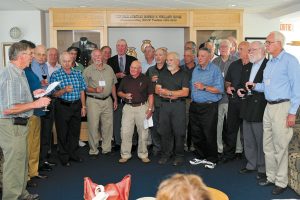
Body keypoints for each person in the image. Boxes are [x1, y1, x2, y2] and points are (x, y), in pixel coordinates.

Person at [247, 31, 300, 195]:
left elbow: (297, 89)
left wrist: (292, 113)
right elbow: (266, 86)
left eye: (269, 43)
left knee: (280, 146)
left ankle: (281, 181)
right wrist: (255, 86)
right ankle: (271, 177)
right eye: (266, 43)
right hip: (268, 107)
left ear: (279, 43)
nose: (266, 45)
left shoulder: (290, 61)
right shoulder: (270, 63)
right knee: (267, 145)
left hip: (283, 107)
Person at [0, 42, 50, 200]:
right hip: (11, 124)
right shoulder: (10, 75)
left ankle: (21, 194)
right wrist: (36, 103)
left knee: (21, 162)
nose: (33, 57)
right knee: (13, 164)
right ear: (21, 56)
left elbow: (17, 99)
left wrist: (33, 94)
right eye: (31, 54)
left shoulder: (20, 73)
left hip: (20, 124)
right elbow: (9, 108)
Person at [237, 41, 268, 182]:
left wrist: (253, 87)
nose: (250, 52)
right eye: (249, 50)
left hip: (260, 106)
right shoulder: (248, 66)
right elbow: (243, 84)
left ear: (262, 51)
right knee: (248, 138)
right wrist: (240, 90)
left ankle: (262, 167)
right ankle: (251, 164)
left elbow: (269, 87)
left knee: (260, 139)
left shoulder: (268, 65)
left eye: (253, 50)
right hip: (247, 105)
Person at [50, 52, 87, 167]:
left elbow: (82, 90)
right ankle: (64, 157)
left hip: (76, 106)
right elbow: (54, 94)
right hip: (62, 107)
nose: (67, 63)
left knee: (74, 132)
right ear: (60, 62)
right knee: (62, 133)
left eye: (69, 61)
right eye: (64, 61)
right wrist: (64, 90)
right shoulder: (55, 75)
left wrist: (83, 106)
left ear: (72, 61)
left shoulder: (78, 73)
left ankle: (73, 154)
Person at [189, 48, 224, 167]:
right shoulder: (196, 70)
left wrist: (204, 87)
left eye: (203, 56)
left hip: (209, 107)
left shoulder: (215, 70)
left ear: (209, 57)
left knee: (209, 133)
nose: (200, 58)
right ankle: (200, 156)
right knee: (196, 133)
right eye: (199, 56)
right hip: (195, 106)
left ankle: (212, 159)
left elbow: (220, 89)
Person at [156, 52, 189, 166]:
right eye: (167, 60)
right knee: (165, 131)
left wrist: (168, 92)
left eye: (170, 60)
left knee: (179, 132)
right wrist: (173, 94)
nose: (168, 62)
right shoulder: (163, 73)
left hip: (178, 106)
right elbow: (157, 90)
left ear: (177, 61)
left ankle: (179, 156)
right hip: (165, 106)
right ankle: (166, 154)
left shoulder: (184, 74)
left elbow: (185, 92)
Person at [220, 41, 251, 163]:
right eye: (238, 48)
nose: (239, 51)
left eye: (241, 48)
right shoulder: (234, 65)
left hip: (248, 103)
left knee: (247, 131)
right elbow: (227, 81)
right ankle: (229, 154)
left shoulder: (255, 66)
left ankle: (248, 157)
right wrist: (227, 87)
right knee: (231, 129)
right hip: (233, 101)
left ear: (249, 50)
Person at [83, 49, 118, 158]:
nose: (98, 58)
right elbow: (83, 88)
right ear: (92, 58)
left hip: (107, 100)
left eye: (100, 55)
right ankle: (93, 150)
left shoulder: (109, 69)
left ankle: (106, 149)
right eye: (95, 56)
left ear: (103, 56)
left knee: (108, 126)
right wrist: (94, 90)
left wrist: (115, 99)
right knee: (93, 126)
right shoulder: (87, 71)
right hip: (93, 101)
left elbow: (113, 85)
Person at [117, 60, 154, 163]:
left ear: (140, 69)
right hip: (128, 108)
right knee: (125, 132)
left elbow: (151, 95)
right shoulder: (125, 79)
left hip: (142, 107)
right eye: (131, 68)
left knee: (143, 132)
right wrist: (124, 95)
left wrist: (150, 109)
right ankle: (125, 155)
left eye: (135, 68)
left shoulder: (146, 79)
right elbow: (119, 92)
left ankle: (143, 154)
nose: (132, 69)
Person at [107, 39, 137, 150]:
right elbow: (108, 77)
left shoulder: (133, 60)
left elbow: (137, 75)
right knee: (117, 119)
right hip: (115, 94)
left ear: (126, 47)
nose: (121, 48)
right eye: (119, 46)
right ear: (116, 47)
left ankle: (133, 143)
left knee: (131, 120)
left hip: (130, 95)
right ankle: (118, 143)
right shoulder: (110, 61)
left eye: (123, 46)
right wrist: (116, 75)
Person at [31, 45, 56, 172]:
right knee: (39, 134)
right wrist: (42, 84)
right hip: (38, 103)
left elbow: (46, 82)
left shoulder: (45, 65)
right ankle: (37, 164)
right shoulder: (30, 67)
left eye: (43, 54)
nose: (42, 57)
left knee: (47, 132)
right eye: (39, 54)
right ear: (33, 54)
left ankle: (44, 159)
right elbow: (35, 85)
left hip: (48, 100)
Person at [212, 39, 238, 156]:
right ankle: (219, 148)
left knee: (232, 125)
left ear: (231, 48)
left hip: (231, 99)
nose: (222, 49)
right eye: (221, 47)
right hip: (217, 99)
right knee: (218, 125)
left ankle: (236, 149)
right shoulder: (214, 62)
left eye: (225, 47)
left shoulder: (236, 61)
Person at [145, 47, 168, 156]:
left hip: (167, 103)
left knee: (166, 127)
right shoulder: (150, 70)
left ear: (165, 56)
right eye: (156, 55)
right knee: (154, 127)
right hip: (154, 103)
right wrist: (150, 80)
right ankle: (157, 147)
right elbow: (144, 86)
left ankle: (166, 148)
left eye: (160, 55)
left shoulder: (170, 69)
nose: (158, 57)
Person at [180, 49, 197, 152]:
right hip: (184, 100)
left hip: (196, 100)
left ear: (193, 57)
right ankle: (184, 144)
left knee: (195, 124)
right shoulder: (180, 69)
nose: (185, 58)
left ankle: (194, 145)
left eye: (188, 56)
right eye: (184, 55)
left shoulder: (199, 69)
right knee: (184, 123)